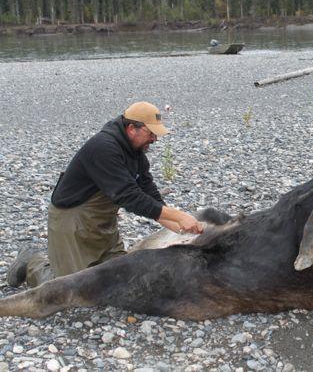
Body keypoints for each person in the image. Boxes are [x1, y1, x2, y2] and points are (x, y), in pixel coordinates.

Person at [7, 101, 204, 288]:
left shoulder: (136, 151)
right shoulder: (104, 148)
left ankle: (68, 262)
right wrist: (178, 216)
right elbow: (129, 196)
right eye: (151, 133)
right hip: (72, 222)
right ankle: (31, 263)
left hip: (102, 223)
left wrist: (182, 231)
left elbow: (147, 189)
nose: (155, 139)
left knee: (119, 277)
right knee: (70, 287)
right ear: (131, 128)